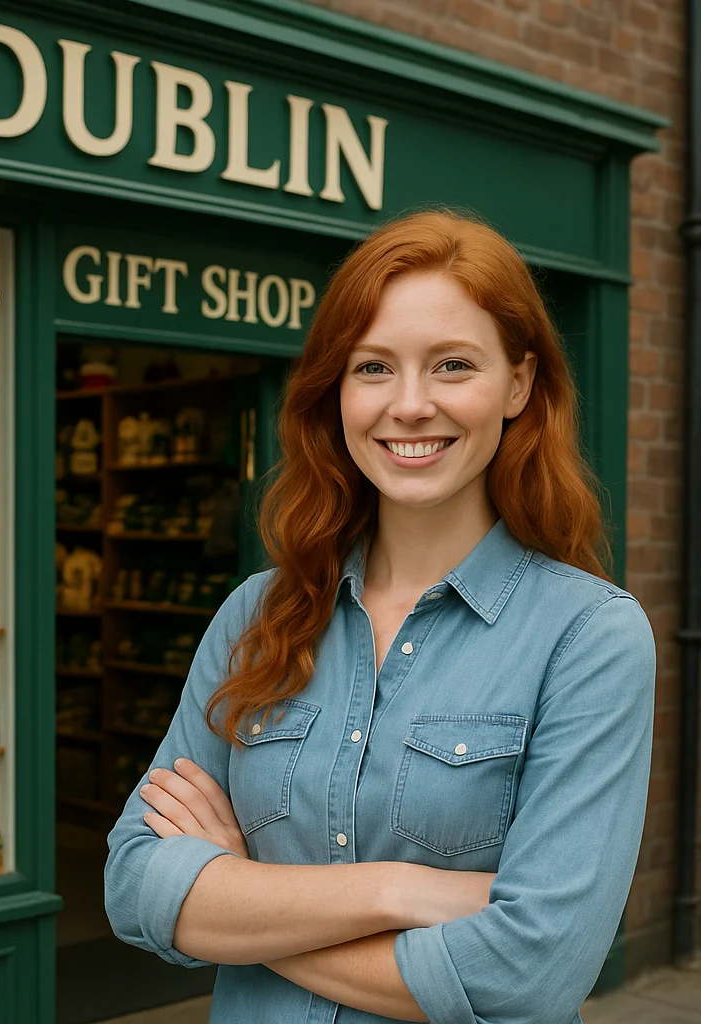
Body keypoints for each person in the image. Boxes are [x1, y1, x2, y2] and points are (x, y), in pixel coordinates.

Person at [103, 209, 656, 1024]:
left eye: (453, 365)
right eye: (372, 368)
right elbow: (133, 883)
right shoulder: (255, 614)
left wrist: (238, 901)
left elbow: (528, 975)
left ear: (519, 384)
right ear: (336, 390)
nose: (409, 405)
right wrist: (402, 890)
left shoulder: (588, 639)